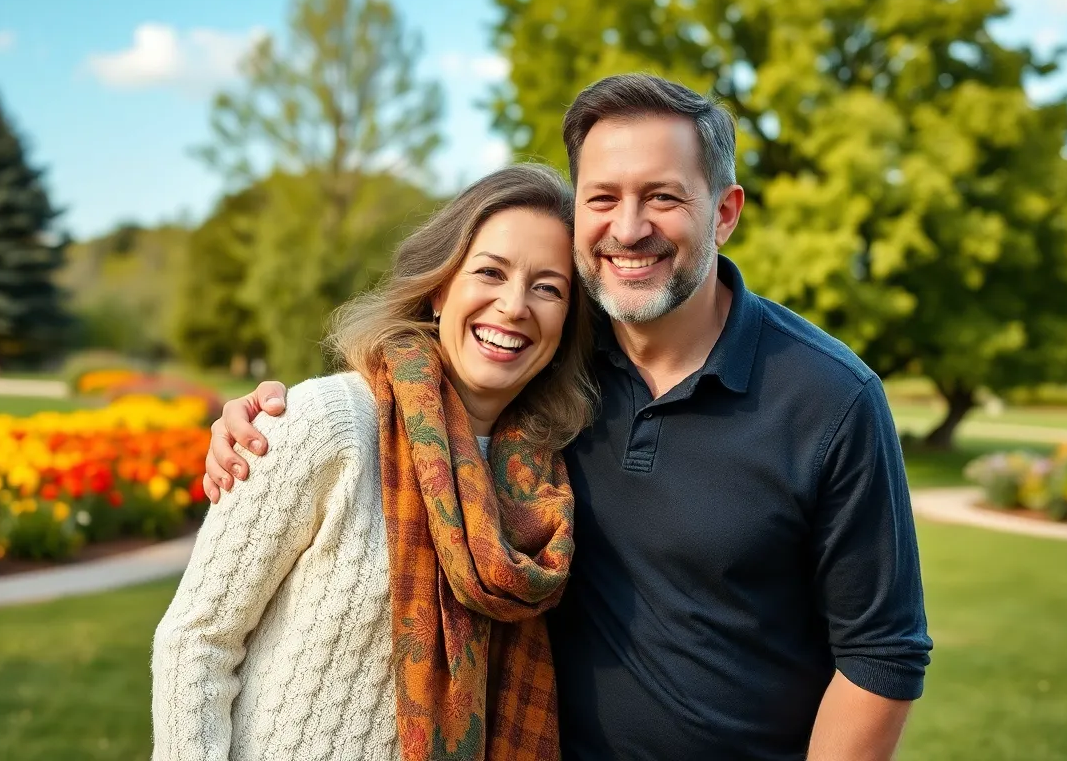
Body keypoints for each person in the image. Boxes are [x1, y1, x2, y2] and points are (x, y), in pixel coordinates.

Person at [205, 74, 933, 761]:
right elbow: (414, 387)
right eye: (603, 197)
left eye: (664, 198)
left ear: (726, 212)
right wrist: (270, 419)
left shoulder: (831, 398)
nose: (629, 226)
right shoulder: (551, 371)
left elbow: (882, 653)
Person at [151, 164, 598, 761]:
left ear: (567, 321)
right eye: (490, 272)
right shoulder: (324, 423)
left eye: (548, 287)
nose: (514, 306)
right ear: (440, 289)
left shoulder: (552, 484)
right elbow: (198, 642)